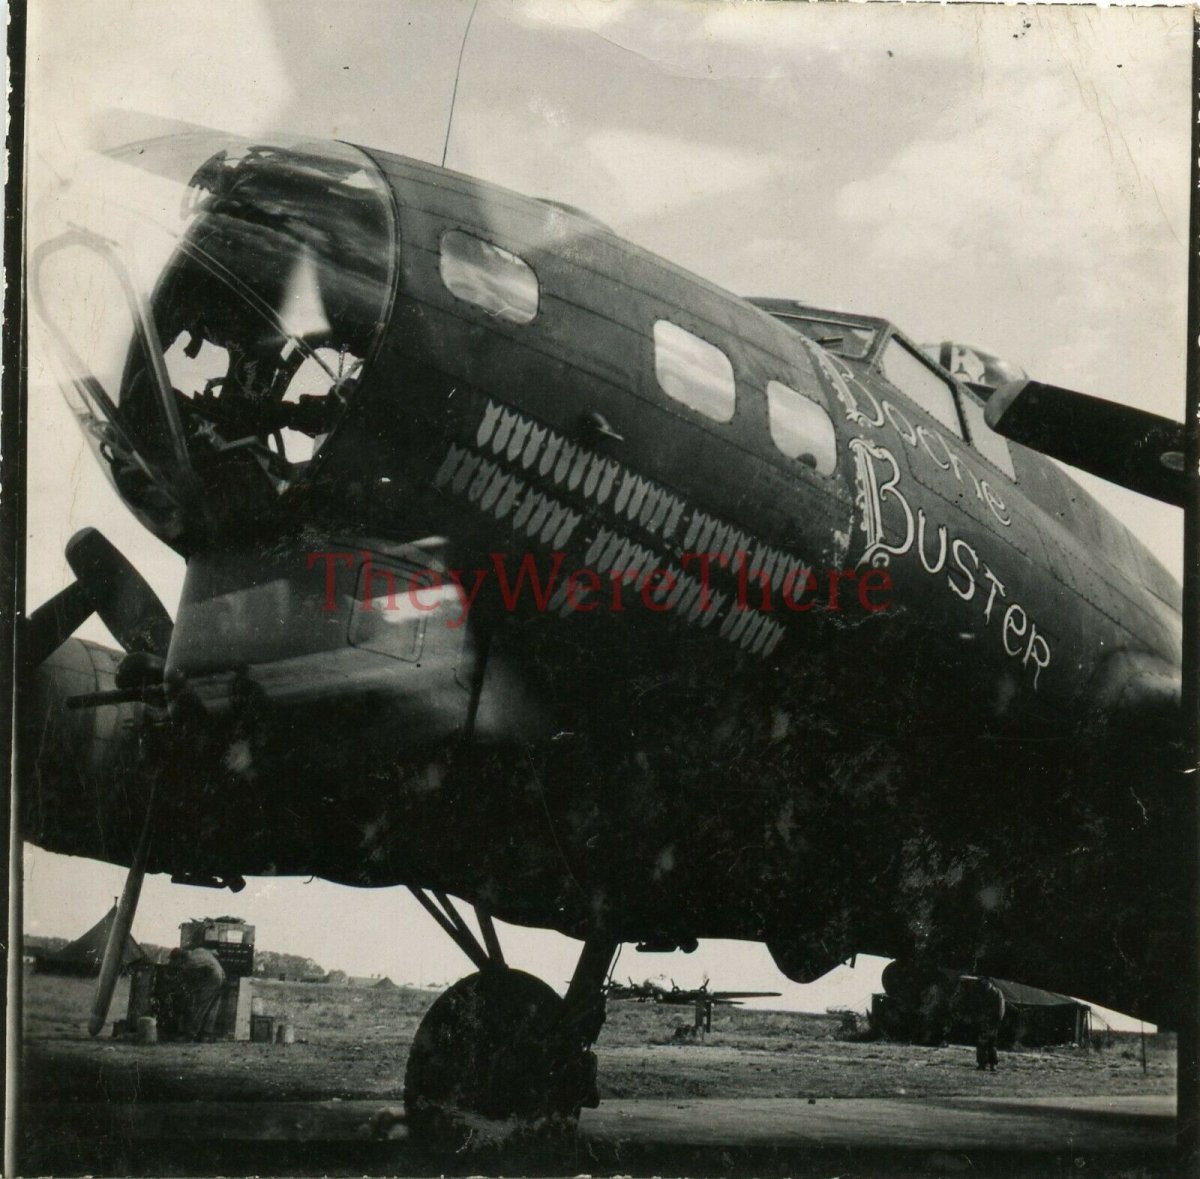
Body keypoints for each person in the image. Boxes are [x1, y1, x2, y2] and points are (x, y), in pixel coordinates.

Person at [158, 947, 226, 1041]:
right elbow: (215, 952)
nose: (174, 962)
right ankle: (205, 1035)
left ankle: (191, 1034)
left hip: (213, 978)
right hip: (221, 974)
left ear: (180, 958)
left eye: (174, 960)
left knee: (200, 1006)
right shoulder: (198, 950)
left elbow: (181, 979)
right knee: (212, 1007)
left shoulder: (190, 963)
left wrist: (168, 978)